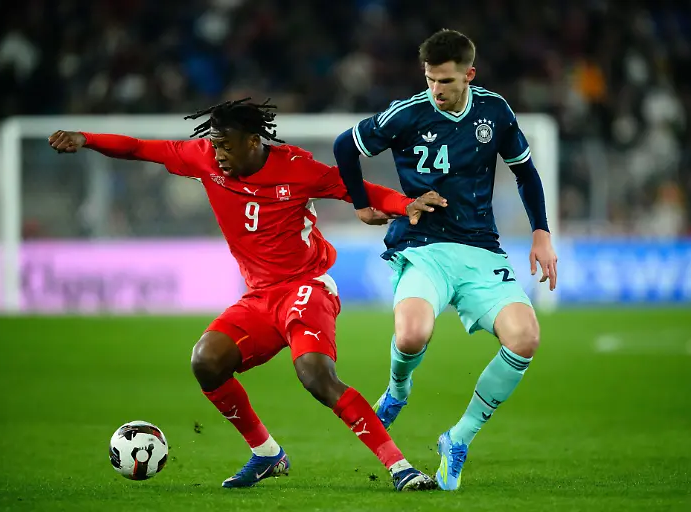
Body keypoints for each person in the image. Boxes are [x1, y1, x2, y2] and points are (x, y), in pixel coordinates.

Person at [48, 97, 444, 490]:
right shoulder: (203, 158)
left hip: (307, 287)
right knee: (206, 361)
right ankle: (267, 453)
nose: (218, 154)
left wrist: (405, 203)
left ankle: (401, 467)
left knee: (315, 376)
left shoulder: (297, 169)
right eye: (215, 144)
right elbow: (139, 148)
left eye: (226, 145)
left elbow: (359, 189)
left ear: (254, 141)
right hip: (259, 298)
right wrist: (86, 138)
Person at [332, 30, 558, 490]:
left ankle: (458, 438)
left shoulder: (494, 111)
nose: (437, 88)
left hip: (479, 248)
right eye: (431, 79)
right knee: (412, 334)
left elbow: (525, 172)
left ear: (469, 75)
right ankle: (397, 392)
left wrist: (541, 232)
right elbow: (344, 147)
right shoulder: (408, 113)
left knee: (526, 337)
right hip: (423, 247)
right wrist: (361, 203)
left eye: (447, 80)